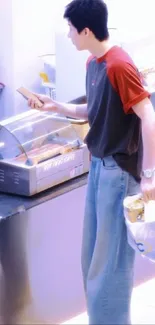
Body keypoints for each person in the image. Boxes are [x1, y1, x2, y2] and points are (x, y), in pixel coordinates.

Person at [28, 0, 155, 323]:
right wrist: (55, 106)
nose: (69, 36)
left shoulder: (118, 65)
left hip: (119, 171)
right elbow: (94, 111)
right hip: (99, 167)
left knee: (109, 265)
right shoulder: (93, 64)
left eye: (71, 29)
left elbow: (148, 117)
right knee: (91, 260)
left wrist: (150, 175)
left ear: (86, 30)